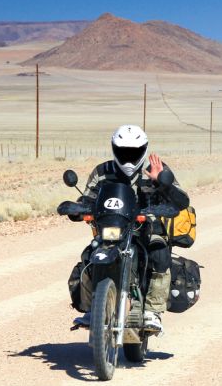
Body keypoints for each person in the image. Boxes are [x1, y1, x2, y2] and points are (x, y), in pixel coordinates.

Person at [72, 125, 190, 333]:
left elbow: (182, 200)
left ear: (143, 150)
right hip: (113, 227)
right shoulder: (102, 172)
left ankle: (153, 311)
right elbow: (88, 197)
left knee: (159, 252)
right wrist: (77, 207)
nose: (128, 158)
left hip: (147, 227)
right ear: (114, 149)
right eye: (123, 152)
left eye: (133, 153)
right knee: (90, 254)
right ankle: (92, 309)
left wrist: (162, 183)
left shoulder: (157, 169)